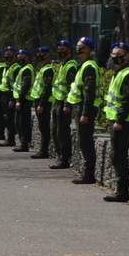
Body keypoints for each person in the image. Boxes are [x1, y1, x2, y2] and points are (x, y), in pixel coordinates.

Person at [100, 42, 129, 204]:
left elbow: (127, 100)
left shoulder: (127, 74)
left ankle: (122, 192)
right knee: (116, 155)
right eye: (114, 55)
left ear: (127, 56)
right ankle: (119, 190)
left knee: (119, 156)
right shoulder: (119, 73)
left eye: (119, 55)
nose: (116, 58)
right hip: (116, 121)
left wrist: (119, 120)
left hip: (122, 122)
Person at [69, 38, 102, 184]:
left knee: (86, 142)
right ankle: (87, 174)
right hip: (80, 107)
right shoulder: (83, 65)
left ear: (89, 49)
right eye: (77, 46)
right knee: (83, 142)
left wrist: (85, 113)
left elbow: (89, 93)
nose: (78, 49)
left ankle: (89, 175)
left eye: (81, 47)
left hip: (85, 109)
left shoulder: (89, 67)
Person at [48, 40, 77, 169]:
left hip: (63, 104)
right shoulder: (62, 65)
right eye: (59, 49)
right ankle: (60, 156)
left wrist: (67, 104)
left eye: (63, 49)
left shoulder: (71, 66)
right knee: (55, 131)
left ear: (69, 50)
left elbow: (71, 87)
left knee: (62, 132)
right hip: (57, 102)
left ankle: (64, 158)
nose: (60, 52)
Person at [30, 46, 56, 160]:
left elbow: (47, 88)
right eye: (39, 53)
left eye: (43, 54)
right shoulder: (43, 68)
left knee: (44, 127)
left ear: (48, 55)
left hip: (43, 102)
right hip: (38, 100)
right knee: (42, 127)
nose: (40, 56)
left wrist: (41, 104)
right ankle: (42, 150)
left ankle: (44, 151)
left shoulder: (48, 69)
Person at [12, 48, 37, 152]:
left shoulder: (27, 69)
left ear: (27, 58)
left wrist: (19, 100)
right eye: (18, 56)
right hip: (22, 99)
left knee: (23, 123)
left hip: (24, 100)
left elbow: (25, 86)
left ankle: (24, 144)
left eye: (21, 56)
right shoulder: (23, 68)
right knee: (19, 122)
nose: (19, 58)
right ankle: (23, 143)